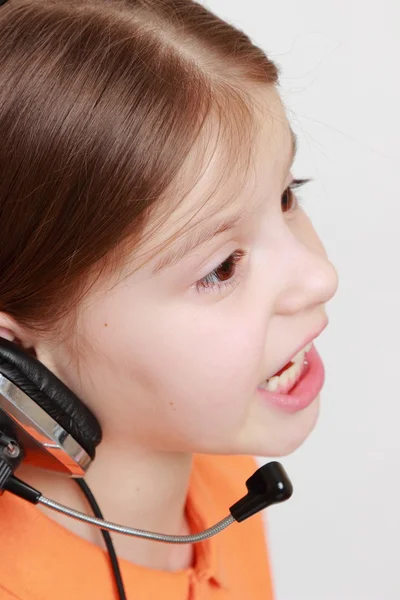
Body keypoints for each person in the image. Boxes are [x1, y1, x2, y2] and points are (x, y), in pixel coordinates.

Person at [0, 0, 338, 598]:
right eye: (222, 267)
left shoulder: (222, 476)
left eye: (287, 196)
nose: (319, 277)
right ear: (12, 348)